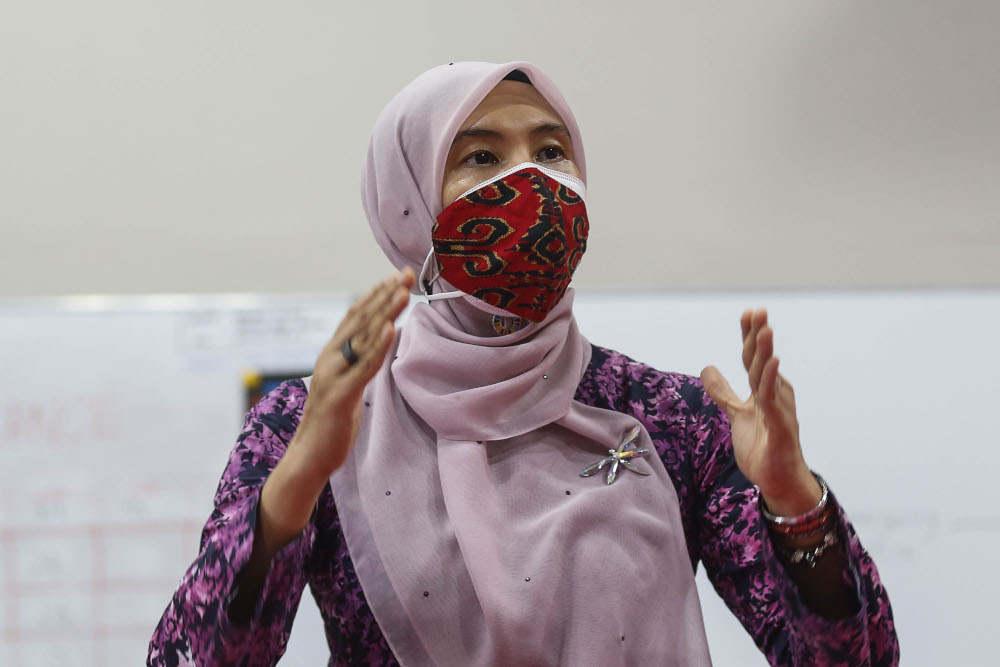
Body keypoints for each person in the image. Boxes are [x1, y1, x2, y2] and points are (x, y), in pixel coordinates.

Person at [148, 61, 899, 666]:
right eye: (481, 155)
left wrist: (796, 504)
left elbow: (853, 659)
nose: (533, 182)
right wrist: (297, 484)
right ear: (409, 203)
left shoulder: (670, 418)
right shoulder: (314, 425)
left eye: (550, 150)